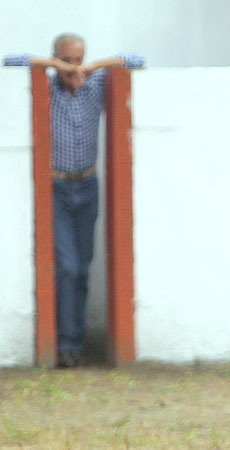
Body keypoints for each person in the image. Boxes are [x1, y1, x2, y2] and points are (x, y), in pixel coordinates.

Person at [4, 34, 144, 368]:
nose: (73, 67)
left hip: (87, 185)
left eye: (78, 59)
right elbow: (10, 60)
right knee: (66, 267)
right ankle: (65, 343)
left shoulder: (94, 86)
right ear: (56, 59)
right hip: (57, 187)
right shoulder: (49, 88)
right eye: (66, 60)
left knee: (81, 268)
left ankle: (74, 343)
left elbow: (136, 60)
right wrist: (54, 66)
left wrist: (96, 66)